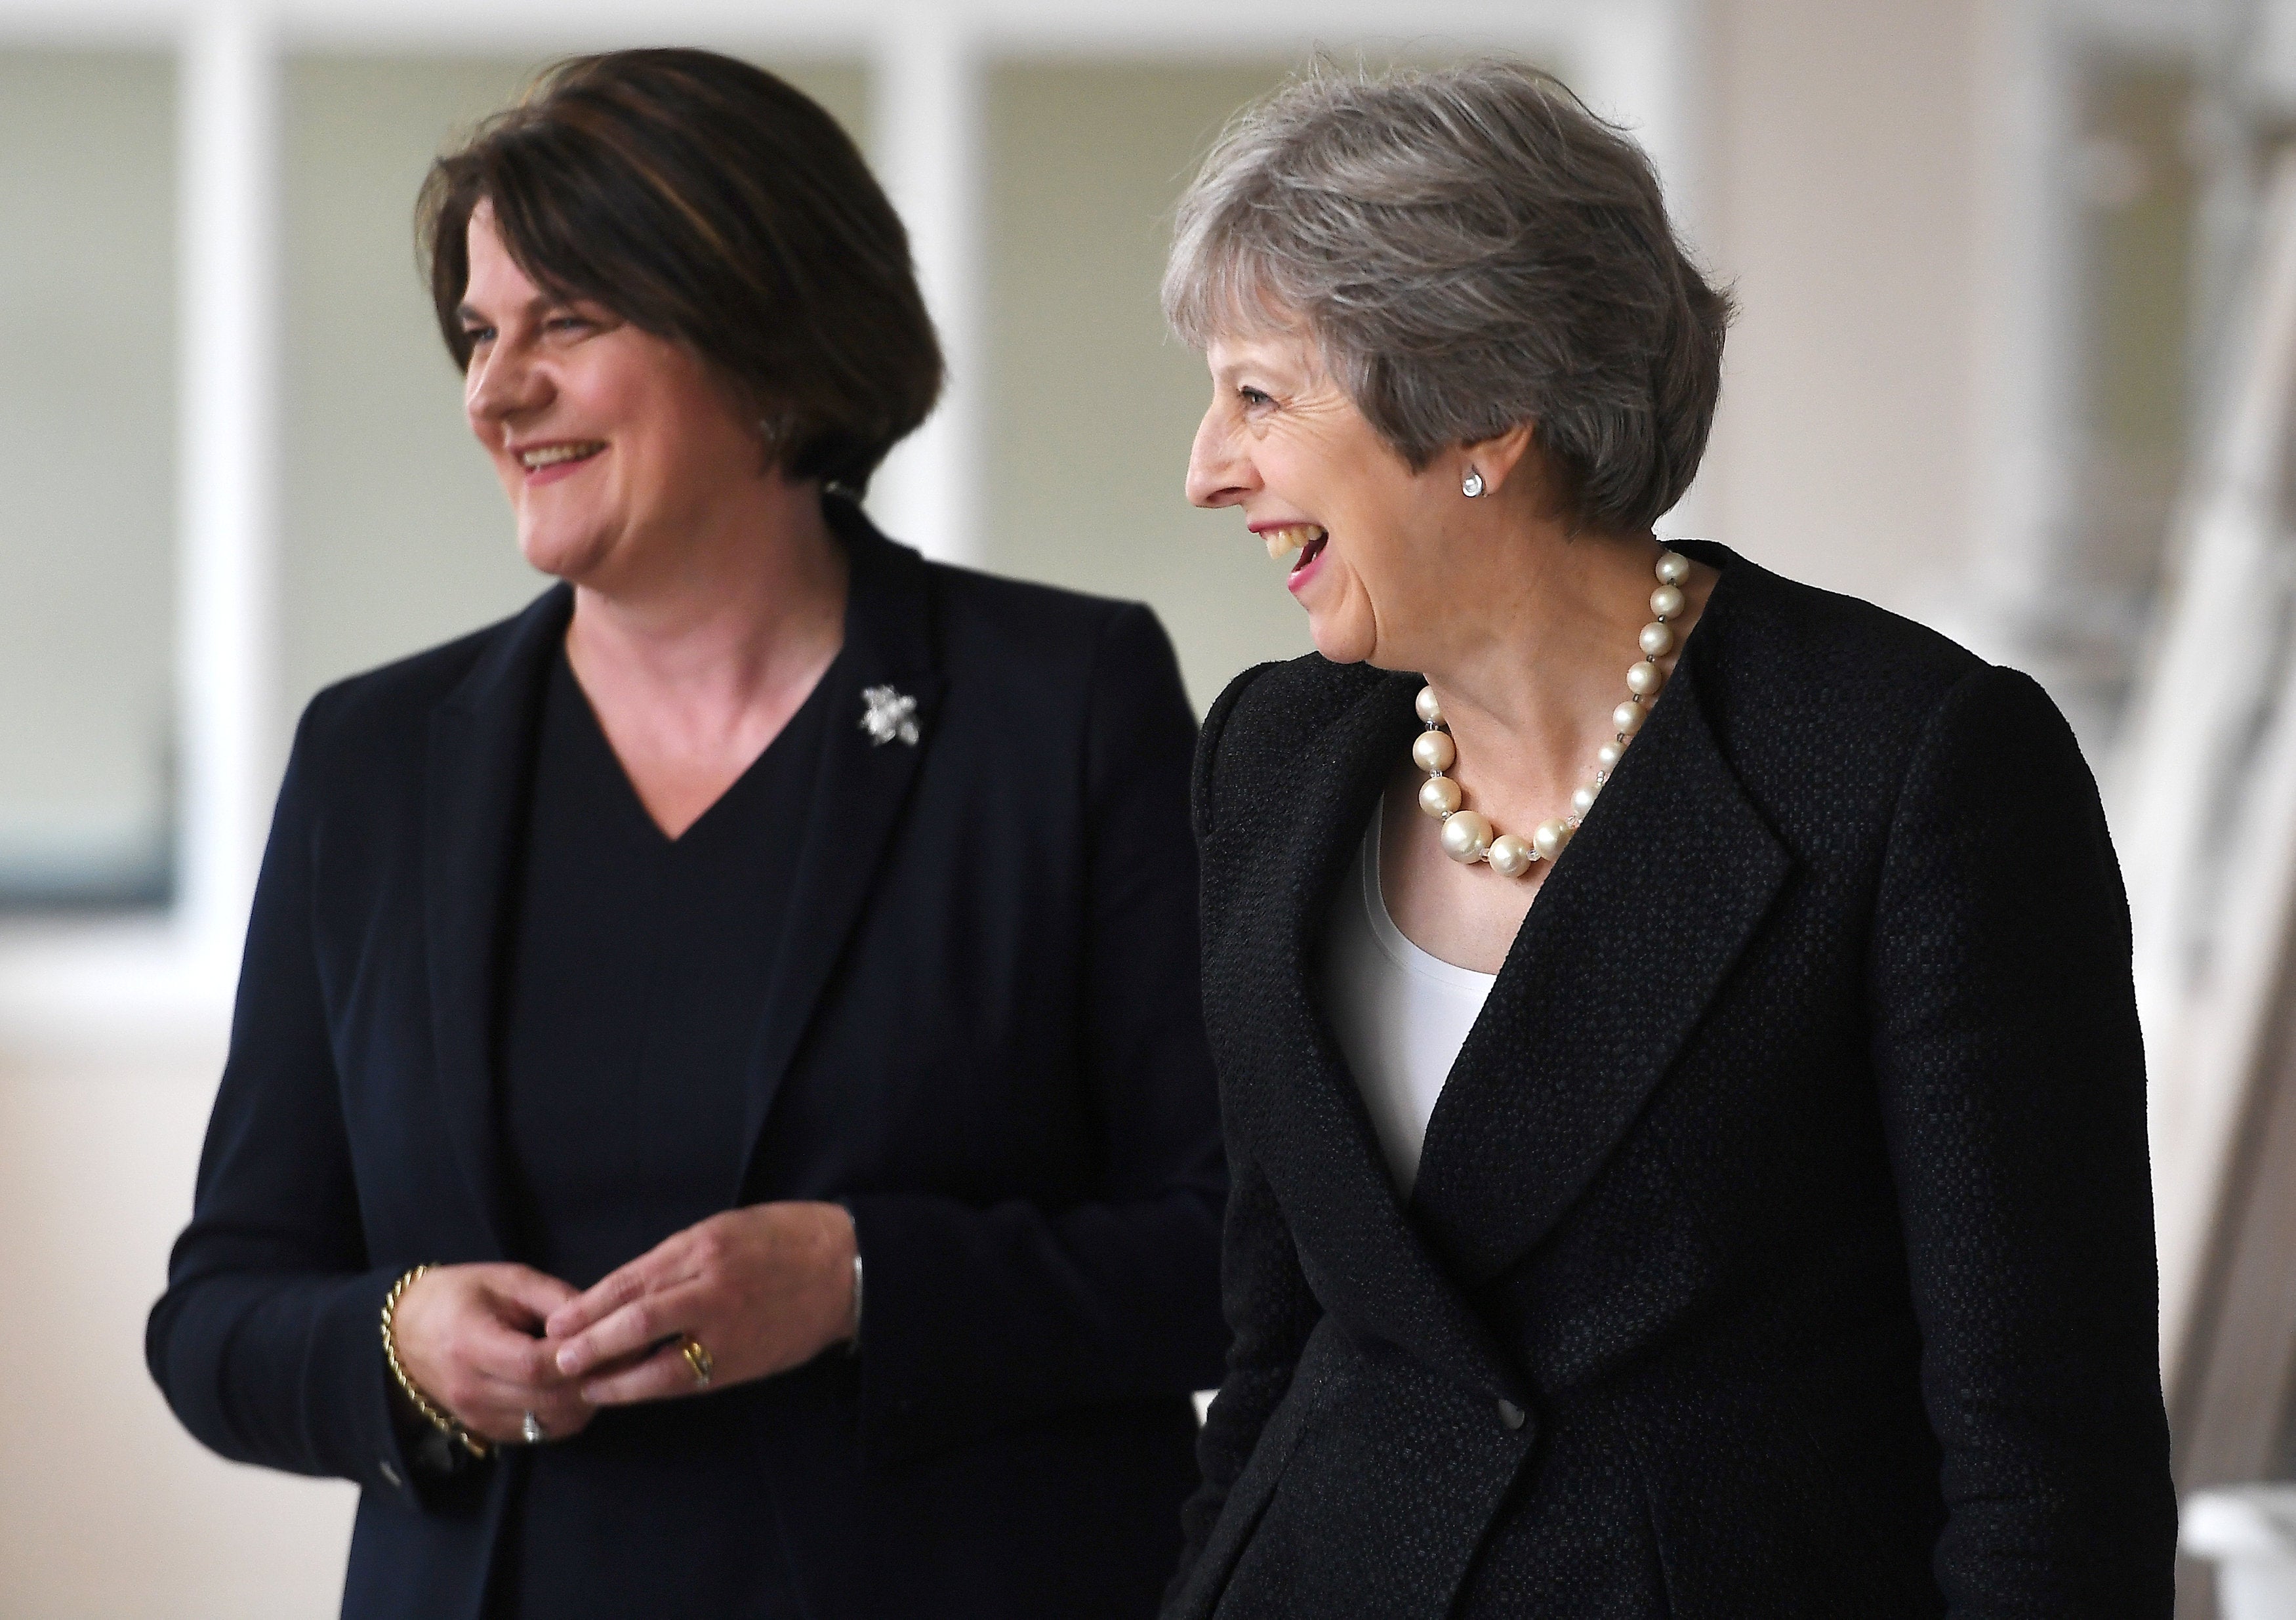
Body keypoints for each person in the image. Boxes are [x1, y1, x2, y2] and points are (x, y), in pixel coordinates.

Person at [146, 49, 1225, 1620]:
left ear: (767, 339)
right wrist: (397, 1340)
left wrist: (863, 1279)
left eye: (565, 324)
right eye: (477, 332)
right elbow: (220, 1315)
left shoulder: (1059, 704)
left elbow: (1238, 1250)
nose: (493, 388)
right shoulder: (374, 760)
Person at [1160, 60, 2175, 1619]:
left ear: (1480, 407)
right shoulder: (1272, 755)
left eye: (1257, 396)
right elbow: (1278, 1343)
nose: (1206, 471)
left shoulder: (1913, 768)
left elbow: (2047, 1459)